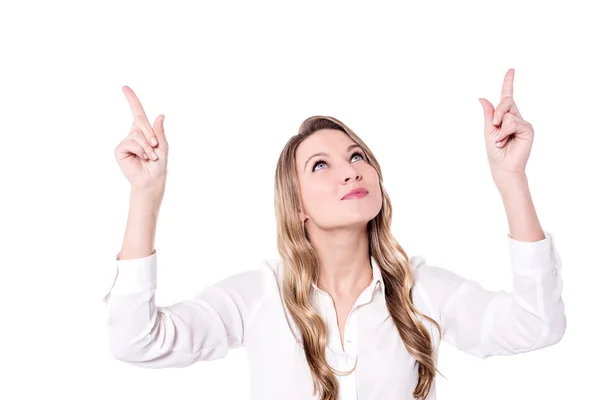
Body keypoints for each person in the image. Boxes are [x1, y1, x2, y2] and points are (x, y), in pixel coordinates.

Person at [104, 68, 566, 400]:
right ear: (297, 205)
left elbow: (538, 325)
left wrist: (512, 180)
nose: (350, 172)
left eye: (357, 157)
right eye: (321, 165)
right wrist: (146, 195)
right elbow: (137, 340)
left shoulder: (420, 292)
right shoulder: (260, 296)